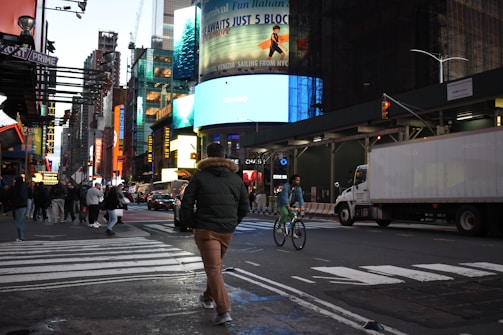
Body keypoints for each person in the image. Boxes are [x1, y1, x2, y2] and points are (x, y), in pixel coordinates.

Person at [181, 142, 249, 325]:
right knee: (215, 268)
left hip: (206, 229)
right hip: (227, 230)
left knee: (213, 269)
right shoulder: (236, 179)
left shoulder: (199, 177)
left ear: (207, 156)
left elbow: (187, 202)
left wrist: (190, 224)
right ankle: (207, 297)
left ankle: (224, 310)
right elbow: (245, 207)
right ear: (225, 156)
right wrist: (233, 222)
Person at [10, 176, 28, 241]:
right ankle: (21, 236)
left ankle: (21, 236)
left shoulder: (16, 188)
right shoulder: (24, 186)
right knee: (21, 221)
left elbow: (13, 196)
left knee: (18, 222)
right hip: (23, 205)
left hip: (18, 205)